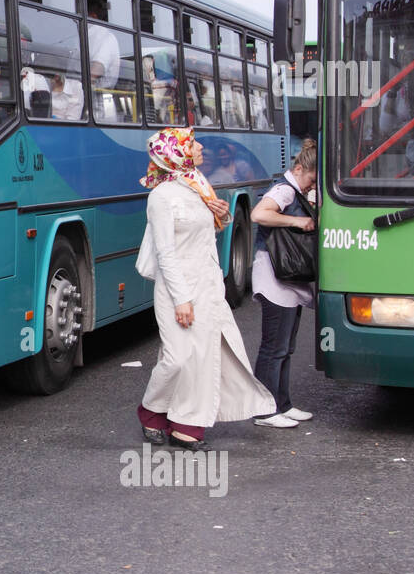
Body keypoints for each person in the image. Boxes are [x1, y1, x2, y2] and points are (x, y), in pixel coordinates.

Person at [135, 126, 274, 449]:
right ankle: (151, 410)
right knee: (177, 358)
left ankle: (186, 426)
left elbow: (202, 239)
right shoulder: (161, 196)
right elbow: (165, 252)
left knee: (203, 356)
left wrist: (220, 216)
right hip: (176, 289)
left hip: (206, 285)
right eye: (192, 143)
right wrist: (181, 298)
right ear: (175, 152)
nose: (199, 147)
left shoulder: (197, 185)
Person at [250, 138, 317, 428]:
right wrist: (296, 222)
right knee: (273, 347)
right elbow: (258, 214)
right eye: (311, 180)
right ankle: (264, 410)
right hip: (273, 275)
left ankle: (282, 404)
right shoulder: (284, 190)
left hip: (287, 276)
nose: (311, 186)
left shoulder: (297, 190)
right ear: (300, 168)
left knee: (285, 347)